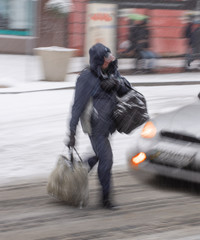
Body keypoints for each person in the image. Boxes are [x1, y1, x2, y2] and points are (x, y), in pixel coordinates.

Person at [67, 43, 131, 210]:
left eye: (110, 59)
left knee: (99, 155)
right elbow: (77, 106)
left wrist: (117, 83)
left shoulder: (111, 72)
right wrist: (72, 132)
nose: (109, 62)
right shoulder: (86, 78)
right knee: (107, 159)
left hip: (109, 125)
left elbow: (128, 89)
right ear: (97, 61)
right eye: (105, 60)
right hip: (95, 127)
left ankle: (78, 174)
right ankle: (106, 199)